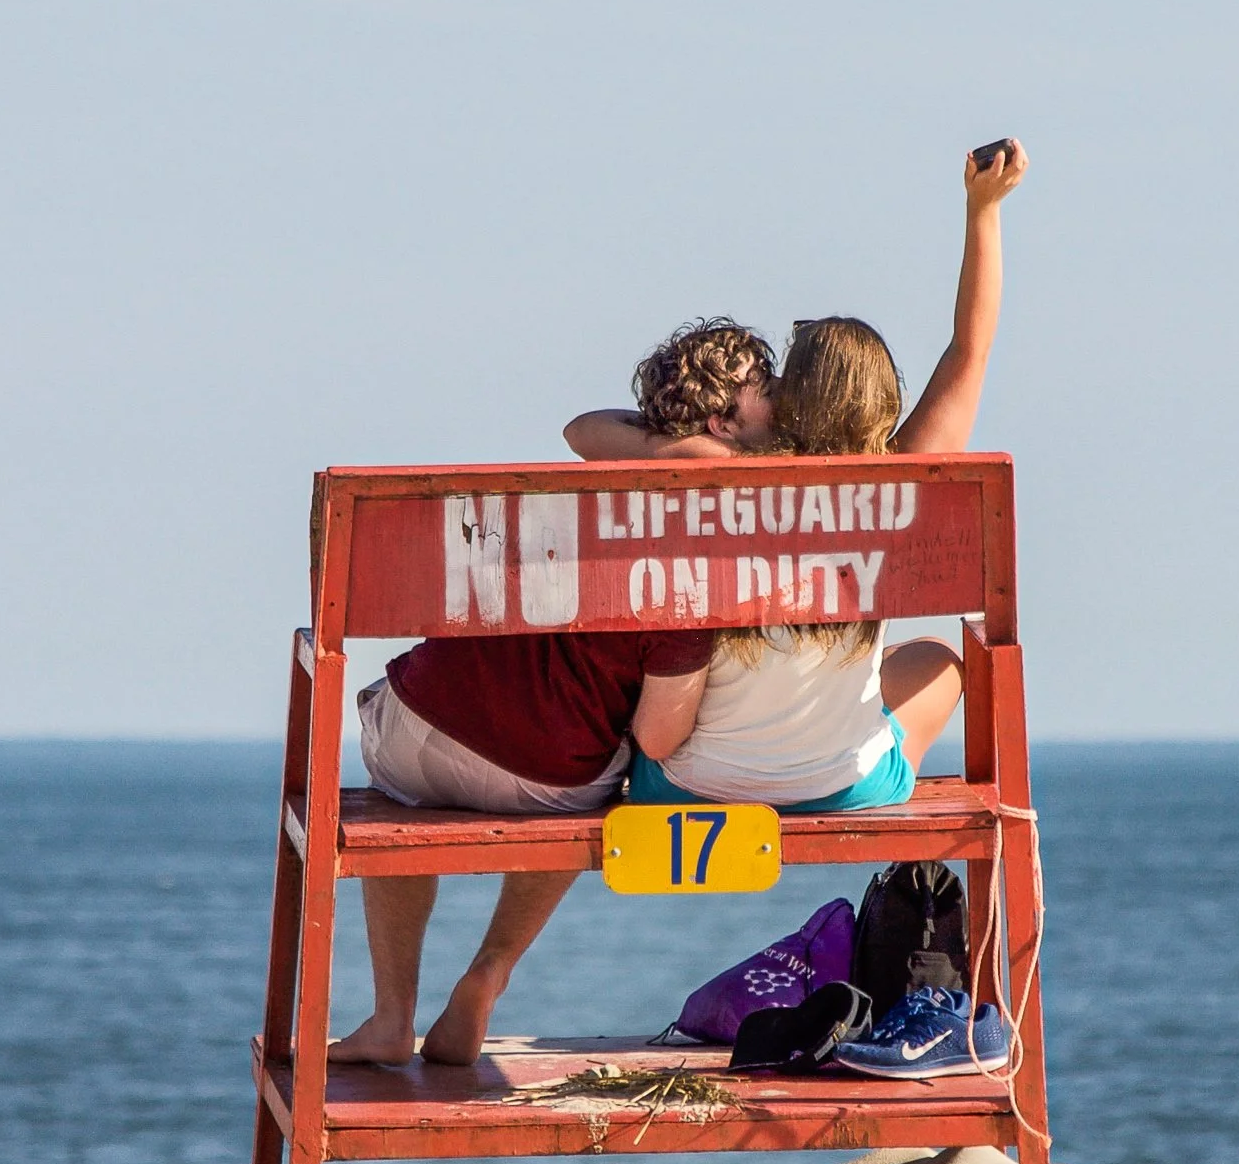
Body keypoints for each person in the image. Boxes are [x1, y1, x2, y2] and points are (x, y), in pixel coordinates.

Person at [330, 320, 775, 1068]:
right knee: (608, 779)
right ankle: (490, 969)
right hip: (549, 780)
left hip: (419, 738)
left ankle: (389, 1014)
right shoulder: (702, 552)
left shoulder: (594, 466)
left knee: (397, 783)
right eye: (769, 396)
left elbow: (581, 425)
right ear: (723, 420)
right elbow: (661, 739)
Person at [565, 139, 1029, 813]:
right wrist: (982, 211)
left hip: (696, 782)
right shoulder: (896, 486)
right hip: (846, 786)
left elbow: (583, 431)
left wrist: (711, 455)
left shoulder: (726, 484)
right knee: (939, 659)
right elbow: (970, 349)